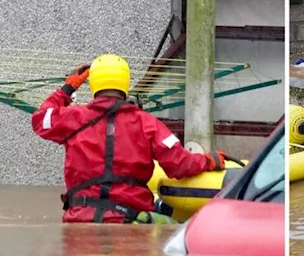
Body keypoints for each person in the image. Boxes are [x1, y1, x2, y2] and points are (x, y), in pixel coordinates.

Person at [31, 53, 229, 224]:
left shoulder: (74, 118)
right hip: (129, 218)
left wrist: (68, 88)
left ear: (94, 84)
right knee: (171, 227)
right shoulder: (147, 123)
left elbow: (40, 119)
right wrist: (208, 160)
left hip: (79, 218)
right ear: (125, 83)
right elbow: (180, 164)